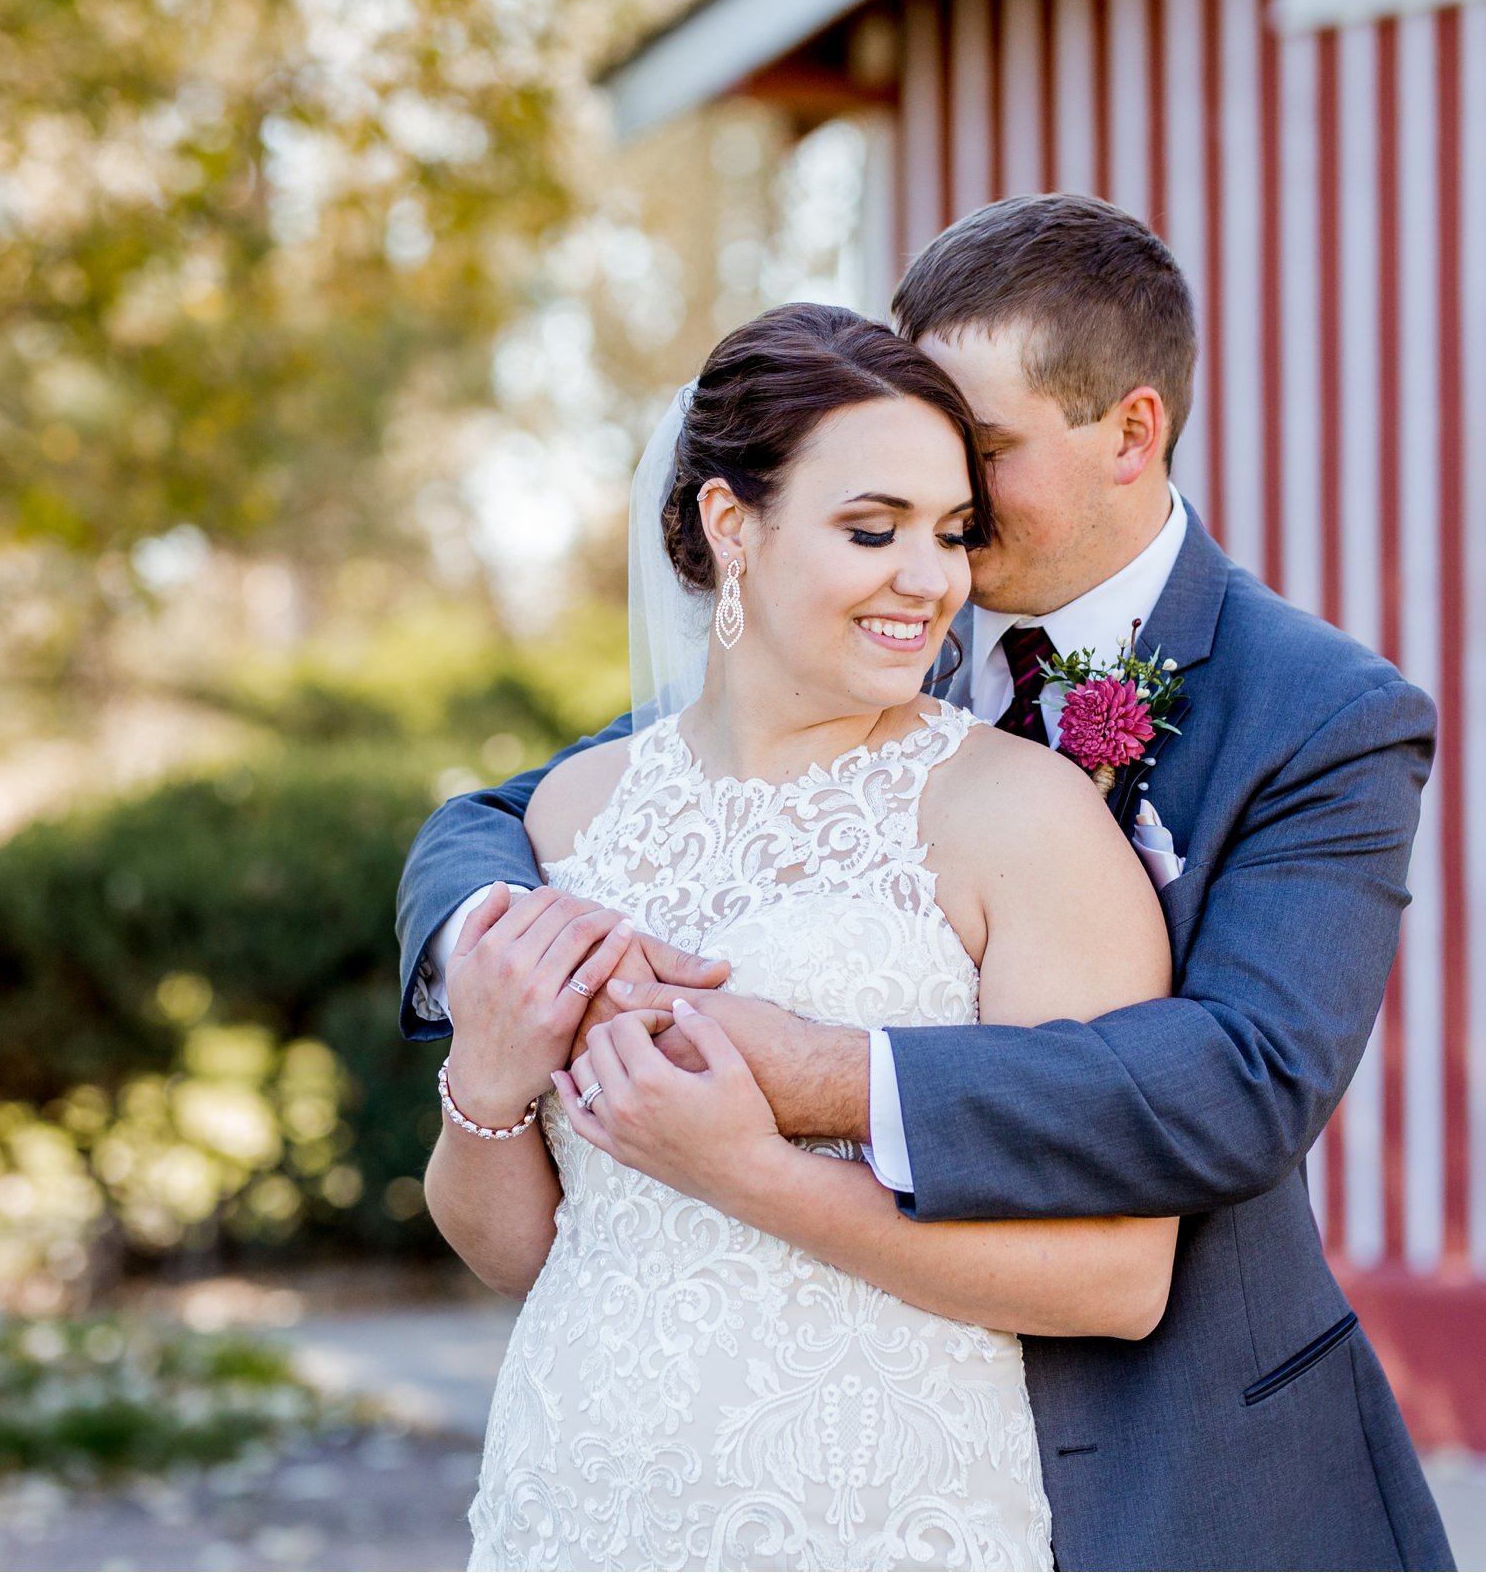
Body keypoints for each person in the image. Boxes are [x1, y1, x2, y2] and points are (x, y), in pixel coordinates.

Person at [401, 194, 1456, 1571]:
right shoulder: (830, 652)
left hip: (1162, 1449)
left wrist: (806, 1081)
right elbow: (500, 819)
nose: (930, 558)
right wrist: (500, 964)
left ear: (1128, 433)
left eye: (972, 472)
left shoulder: (1316, 713)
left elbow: (1241, 1083)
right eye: (884, 501)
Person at [424, 301, 1174, 1569]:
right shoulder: (570, 813)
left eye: (949, 533)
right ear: (732, 527)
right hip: (581, 1488)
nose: (930, 578)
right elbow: (524, 1252)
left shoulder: (1015, 812)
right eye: (871, 529)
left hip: (871, 1504)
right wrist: (486, 1079)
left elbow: (1113, 1276)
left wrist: (753, 1170)